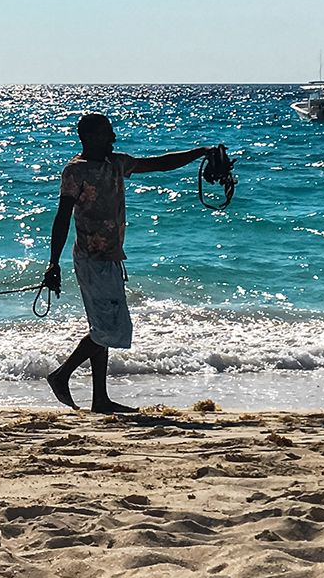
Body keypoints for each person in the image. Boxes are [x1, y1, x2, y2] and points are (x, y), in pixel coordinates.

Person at [42, 113, 228, 413]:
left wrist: (198, 154)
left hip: (112, 257)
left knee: (102, 327)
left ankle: (99, 399)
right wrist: (53, 263)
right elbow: (62, 217)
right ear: (88, 137)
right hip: (91, 259)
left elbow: (158, 162)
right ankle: (61, 375)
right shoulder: (75, 172)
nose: (113, 138)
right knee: (108, 330)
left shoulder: (116, 163)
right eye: (107, 134)